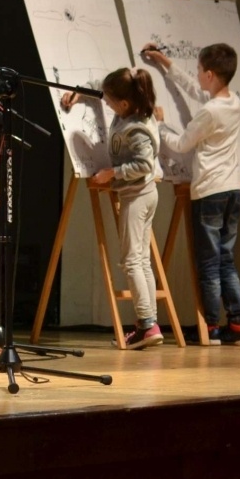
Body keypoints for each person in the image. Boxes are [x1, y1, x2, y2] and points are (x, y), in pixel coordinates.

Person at [144, 41, 240, 345]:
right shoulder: (233, 102)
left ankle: (212, 328)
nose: (197, 74)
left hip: (210, 192)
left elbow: (180, 146)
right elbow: (194, 89)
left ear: (211, 74)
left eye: (200, 70)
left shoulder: (210, 113)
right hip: (233, 190)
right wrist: (166, 62)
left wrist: (160, 124)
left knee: (208, 263)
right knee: (226, 260)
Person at [67, 68, 163, 349]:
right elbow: (100, 85)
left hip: (138, 195)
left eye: (109, 102)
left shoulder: (137, 128)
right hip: (142, 195)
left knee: (132, 260)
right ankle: (149, 323)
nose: (105, 104)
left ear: (123, 104)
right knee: (141, 260)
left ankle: (147, 324)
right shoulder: (132, 104)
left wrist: (113, 173)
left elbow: (145, 165)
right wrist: (77, 91)